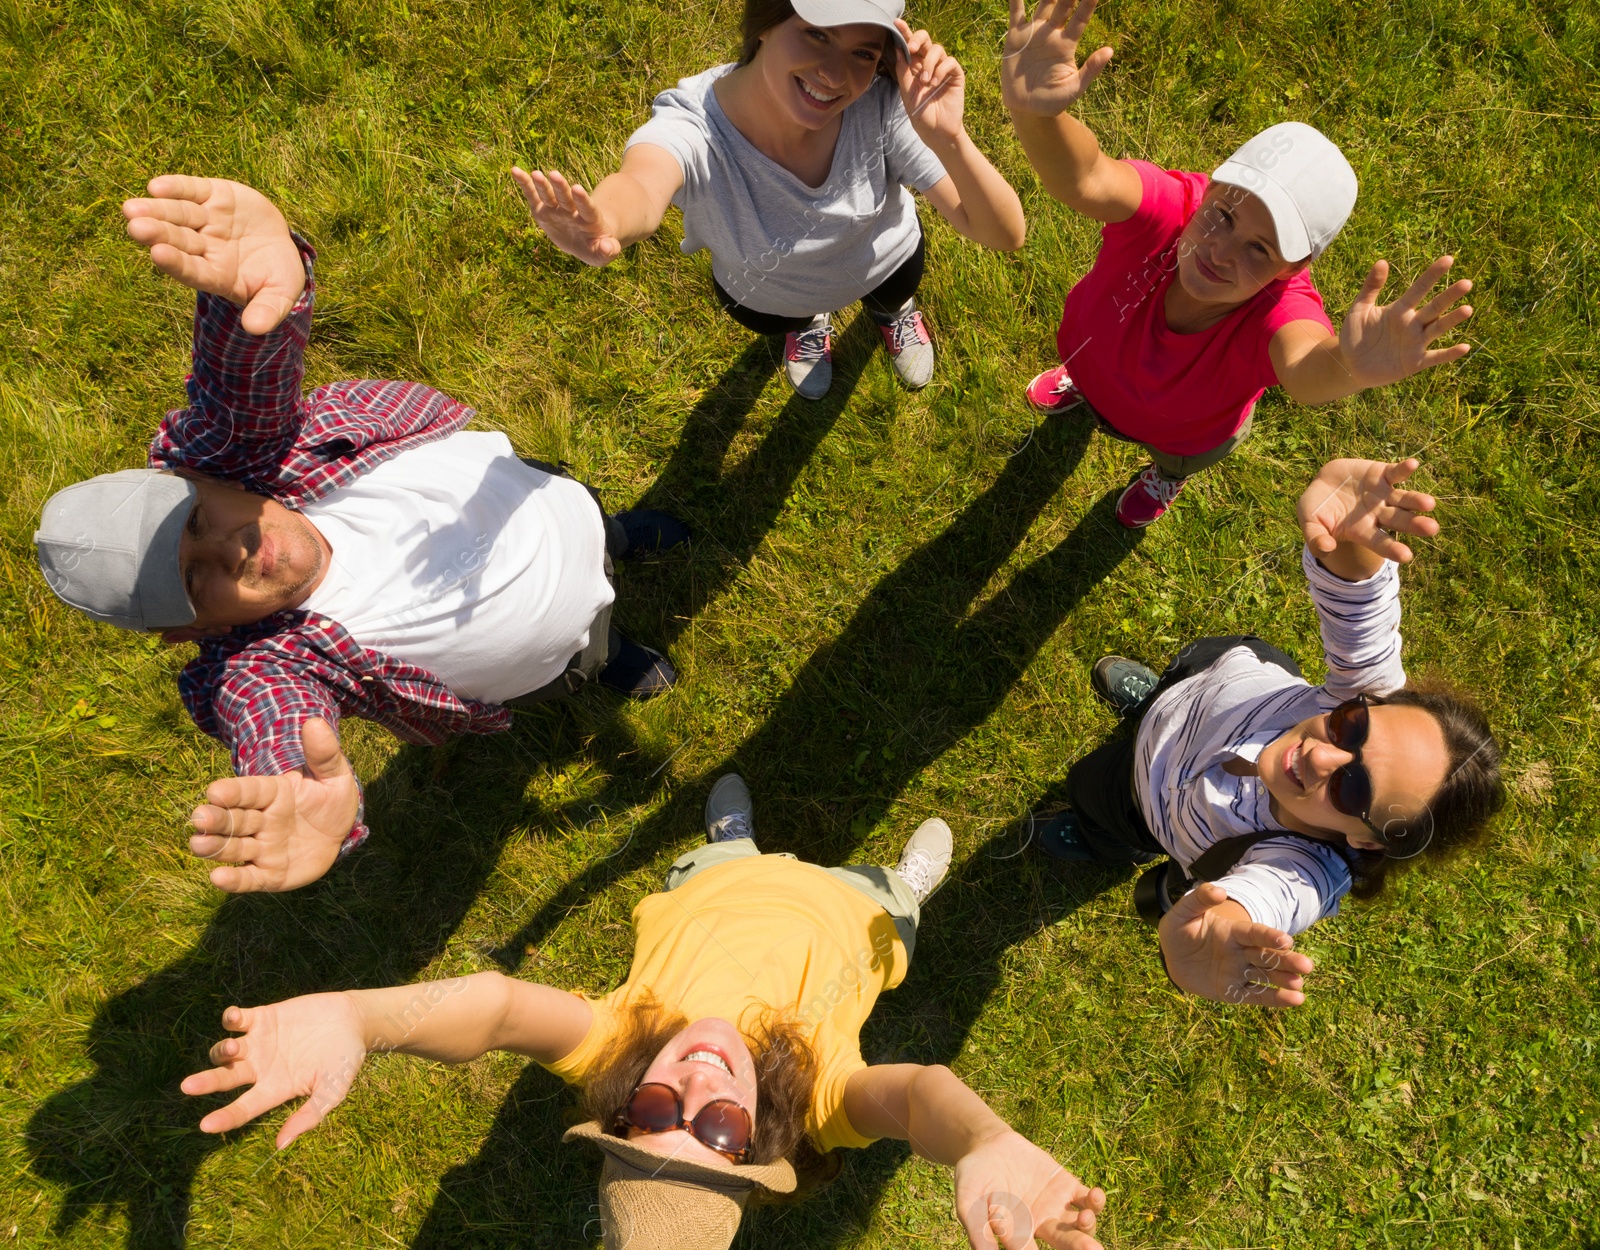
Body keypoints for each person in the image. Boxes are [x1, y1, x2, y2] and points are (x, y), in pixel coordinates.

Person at [32, 176, 692, 894]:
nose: (231, 549)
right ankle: (609, 656)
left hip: (551, 504)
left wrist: (250, 290)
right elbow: (270, 720)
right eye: (197, 579)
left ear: (200, 478)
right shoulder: (262, 664)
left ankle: (616, 535)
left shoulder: (249, 454)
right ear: (189, 632)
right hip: (547, 661)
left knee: (597, 522)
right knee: (587, 651)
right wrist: (295, 788)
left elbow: (238, 386)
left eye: (198, 521)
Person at [181, 777, 1108, 1250]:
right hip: (855, 925)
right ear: (757, 1148)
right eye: (710, 1128)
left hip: (718, 891)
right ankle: (906, 885)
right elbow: (921, 1097)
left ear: (623, 1109)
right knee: (889, 903)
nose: (694, 1083)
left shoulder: (618, 1047)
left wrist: (362, 1018)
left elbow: (497, 1007)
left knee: (717, 859)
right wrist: (983, 1142)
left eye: (654, 1118)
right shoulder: (822, 1101)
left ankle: (727, 840)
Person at [1030, 457, 1503, 1007]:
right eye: (1351, 727)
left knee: (1093, 796)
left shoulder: (1308, 865)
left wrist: (1228, 920)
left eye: (1355, 790)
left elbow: (1275, 895)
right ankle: (1152, 701)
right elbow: (1363, 606)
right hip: (1202, 687)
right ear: (1366, 701)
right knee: (1173, 690)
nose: (1322, 759)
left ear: (1367, 840)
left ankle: (1098, 840)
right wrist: (1346, 534)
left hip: (1142, 802)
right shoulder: (1364, 688)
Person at [1001, 0, 1477, 528]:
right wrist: (1035, 114)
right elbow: (1087, 176)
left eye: (1260, 250)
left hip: (1183, 431)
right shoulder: (1167, 208)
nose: (1220, 253)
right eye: (1224, 215)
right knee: (1090, 373)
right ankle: (1083, 387)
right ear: (1210, 188)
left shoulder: (1280, 308)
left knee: (1179, 455)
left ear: (1292, 268)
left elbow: (1304, 370)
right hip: (1092, 354)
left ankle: (1167, 474)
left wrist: (1350, 367)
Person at [513, 0, 1025, 400]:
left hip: (887, 265)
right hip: (767, 296)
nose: (833, 73)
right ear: (765, 20)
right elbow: (644, 182)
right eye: (816, 34)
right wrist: (607, 219)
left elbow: (1005, 233)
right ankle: (806, 328)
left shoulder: (883, 107)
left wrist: (949, 139)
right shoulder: (695, 125)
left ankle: (894, 314)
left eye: (863, 53)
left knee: (892, 295)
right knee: (792, 318)